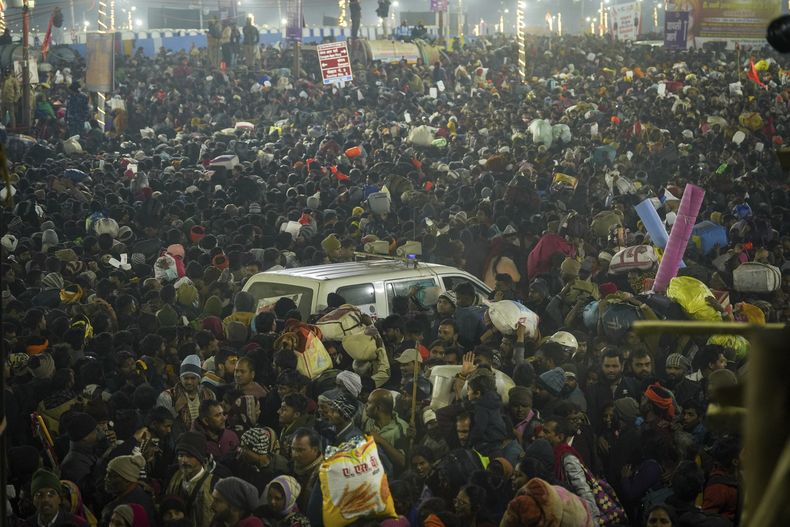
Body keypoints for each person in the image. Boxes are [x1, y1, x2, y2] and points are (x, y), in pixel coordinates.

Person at [165, 432, 216, 527]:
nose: (184, 460)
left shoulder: (211, 486)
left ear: (200, 458)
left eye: (189, 456)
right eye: (180, 455)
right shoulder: (175, 475)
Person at [157, 354, 216, 433]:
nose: (189, 382)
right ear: (180, 378)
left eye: (193, 378)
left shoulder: (209, 395)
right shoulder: (167, 397)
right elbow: (161, 425)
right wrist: (175, 410)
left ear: (199, 379)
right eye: (186, 378)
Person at [101, 454, 157, 526]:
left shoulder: (122, 510)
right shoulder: (141, 493)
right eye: (107, 474)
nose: (106, 479)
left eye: (112, 476)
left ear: (128, 480)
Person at [289, 428, 323, 513]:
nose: (295, 455)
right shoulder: (290, 466)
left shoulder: (324, 474)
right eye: (293, 449)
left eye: (300, 450)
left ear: (315, 450)